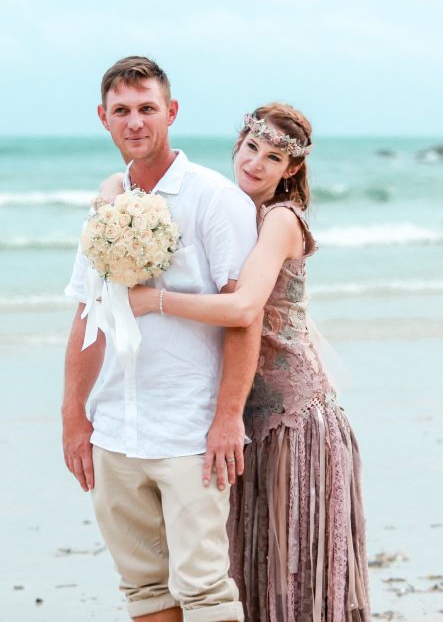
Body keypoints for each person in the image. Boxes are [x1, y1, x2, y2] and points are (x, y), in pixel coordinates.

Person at [101, 103, 370, 621]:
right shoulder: (230, 209)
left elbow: (244, 308)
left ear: (291, 170)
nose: (256, 164)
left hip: (294, 420)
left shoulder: (281, 220)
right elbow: (131, 176)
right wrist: (112, 188)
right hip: (242, 412)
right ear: (237, 145)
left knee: (294, 570)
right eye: (251, 148)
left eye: (273, 158)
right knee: (247, 564)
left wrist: (152, 300)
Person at [61, 56, 260, 622]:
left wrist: (227, 419)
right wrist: (74, 417)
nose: (135, 122)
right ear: (103, 118)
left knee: (203, 589)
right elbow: (86, 315)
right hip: (116, 429)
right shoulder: (105, 209)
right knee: (143, 589)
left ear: (171, 111)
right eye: (121, 111)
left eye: (147, 108)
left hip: (189, 430)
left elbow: (245, 317)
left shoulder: (214, 198)